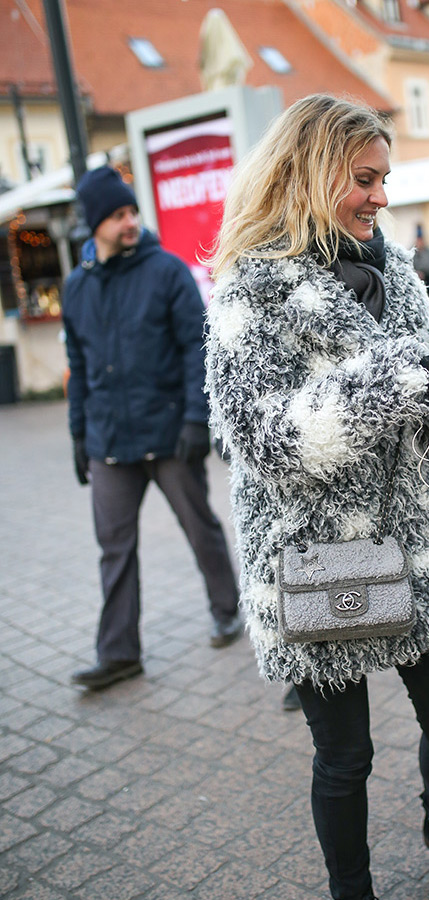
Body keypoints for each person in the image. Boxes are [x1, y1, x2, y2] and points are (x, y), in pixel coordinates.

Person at [204, 94, 429, 900]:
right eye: (366, 179)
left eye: (386, 178)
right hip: (317, 555)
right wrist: (388, 380)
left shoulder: (399, 272)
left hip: (417, 544)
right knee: (346, 759)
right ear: (311, 173)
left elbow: (424, 410)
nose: (382, 197)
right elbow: (260, 436)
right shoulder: (251, 289)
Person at [63, 166, 243, 691]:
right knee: (113, 546)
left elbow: (197, 348)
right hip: (109, 440)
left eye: (131, 212)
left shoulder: (165, 271)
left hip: (168, 433)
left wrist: (194, 419)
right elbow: (78, 364)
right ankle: (119, 653)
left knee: (199, 525)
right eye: (117, 215)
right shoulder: (77, 287)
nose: (129, 222)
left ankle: (227, 609)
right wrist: (78, 435)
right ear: (94, 223)